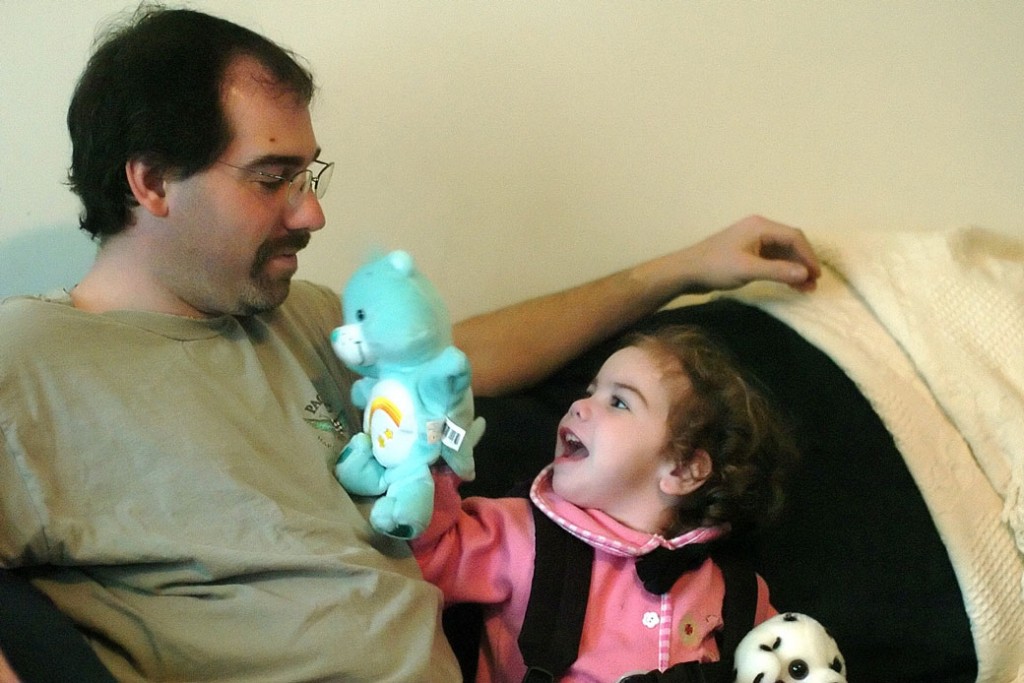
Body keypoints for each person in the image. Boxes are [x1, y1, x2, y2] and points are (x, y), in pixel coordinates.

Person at [0, 5, 819, 682]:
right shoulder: (30, 364)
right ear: (150, 183)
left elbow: (466, 359)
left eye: (308, 175)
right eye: (270, 176)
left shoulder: (304, 318)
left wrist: (682, 269)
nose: (310, 212)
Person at [411, 326, 796, 682]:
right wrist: (435, 460)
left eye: (618, 402)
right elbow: (421, 558)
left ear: (682, 470)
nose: (580, 405)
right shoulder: (519, 534)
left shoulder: (736, 591)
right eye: (590, 390)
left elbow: (798, 662)